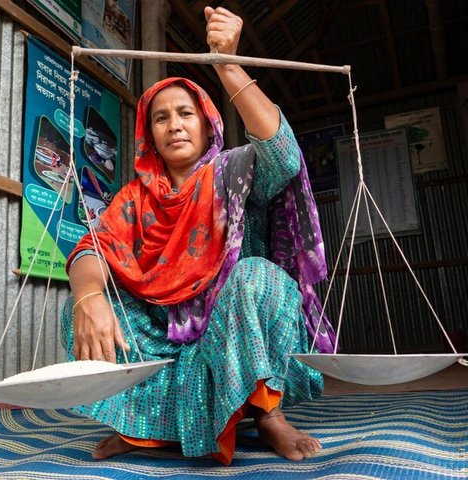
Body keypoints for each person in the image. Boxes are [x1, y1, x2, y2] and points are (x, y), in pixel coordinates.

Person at [61, 6, 335, 465]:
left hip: (233, 326)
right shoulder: (135, 198)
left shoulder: (237, 170)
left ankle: (268, 413)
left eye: (186, 113)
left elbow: (285, 158)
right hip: (168, 336)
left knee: (257, 277)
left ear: (208, 123)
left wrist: (227, 64)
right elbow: (92, 246)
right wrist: (89, 297)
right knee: (81, 308)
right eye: (160, 117)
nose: (174, 125)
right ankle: (149, 432)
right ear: (149, 134)